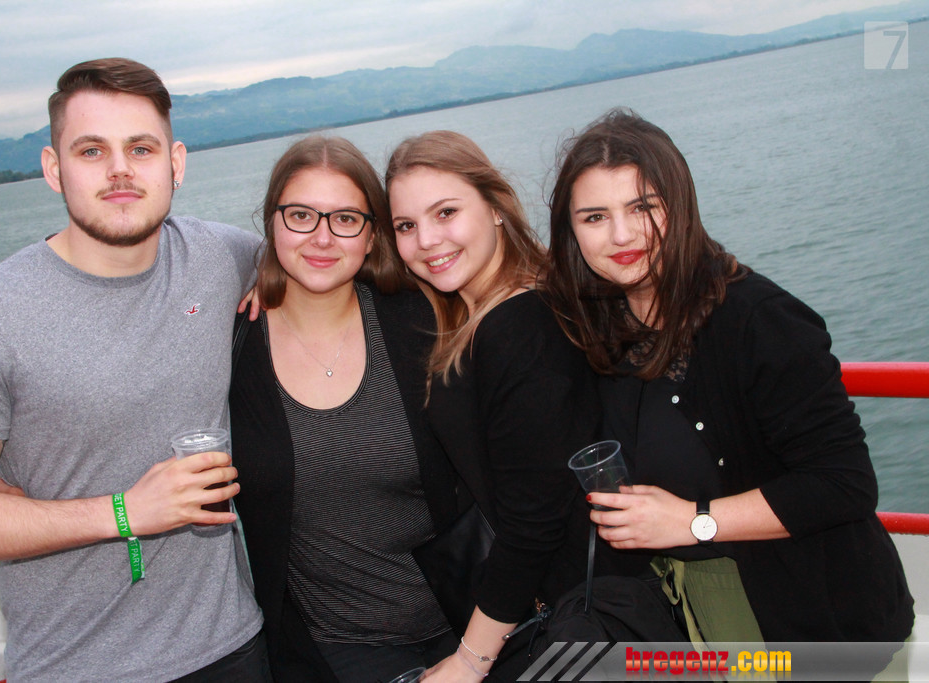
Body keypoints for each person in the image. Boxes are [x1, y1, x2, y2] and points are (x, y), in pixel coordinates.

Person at [0, 58, 270, 681]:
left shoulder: (223, 257)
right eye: (92, 150)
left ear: (176, 163)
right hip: (75, 663)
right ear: (54, 169)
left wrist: (281, 282)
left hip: (232, 646)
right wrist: (124, 512)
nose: (120, 169)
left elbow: (323, 259)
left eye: (141, 148)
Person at [541, 109, 913, 656]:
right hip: (689, 616)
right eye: (595, 216)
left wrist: (692, 522)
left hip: (810, 620)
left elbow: (844, 483)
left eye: (644, 207)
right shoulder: (601, 326)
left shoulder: (759, 321)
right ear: (570, 231)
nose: (622, 235)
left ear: (682, 206)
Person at [230, 135, 460, 683]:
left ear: (372, 234)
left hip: (468, 619)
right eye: (301, 215)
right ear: (272, 223)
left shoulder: (420, 319)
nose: (322, 238)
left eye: (346, 220)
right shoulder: (234, 346)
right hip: (335, 648)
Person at [385, 131, 605, 681]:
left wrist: (471, 660)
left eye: (446, 213)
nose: (427, 241)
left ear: (496, 207)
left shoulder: (519, 327)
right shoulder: (481, 313)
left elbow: (533, 522)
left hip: (568, 617)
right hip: (547, 606)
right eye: (405, 226)